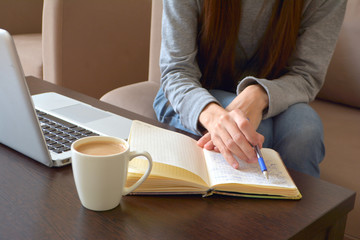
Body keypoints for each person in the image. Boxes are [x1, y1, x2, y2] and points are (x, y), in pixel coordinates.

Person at [153, 0, 347, 178]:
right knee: (252, 132)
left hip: (275, 96)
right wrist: (215, 118)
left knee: (306, 129)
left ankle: (301, 214)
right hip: (194, 92)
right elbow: (177, 70)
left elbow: (307, 75)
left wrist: (258, 94)